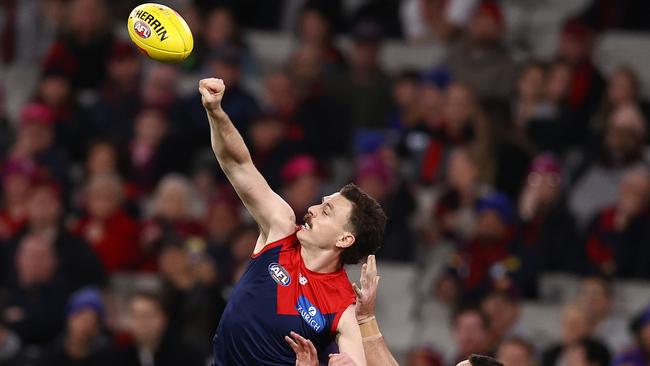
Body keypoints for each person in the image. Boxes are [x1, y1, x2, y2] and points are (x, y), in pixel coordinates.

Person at [200, 77, 387, 365]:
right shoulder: (281, 229)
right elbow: (238, 165)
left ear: (344, 239)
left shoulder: (343, 307)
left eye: (326, 211)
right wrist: (216, 113)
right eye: (320, 203)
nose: (312, 209)